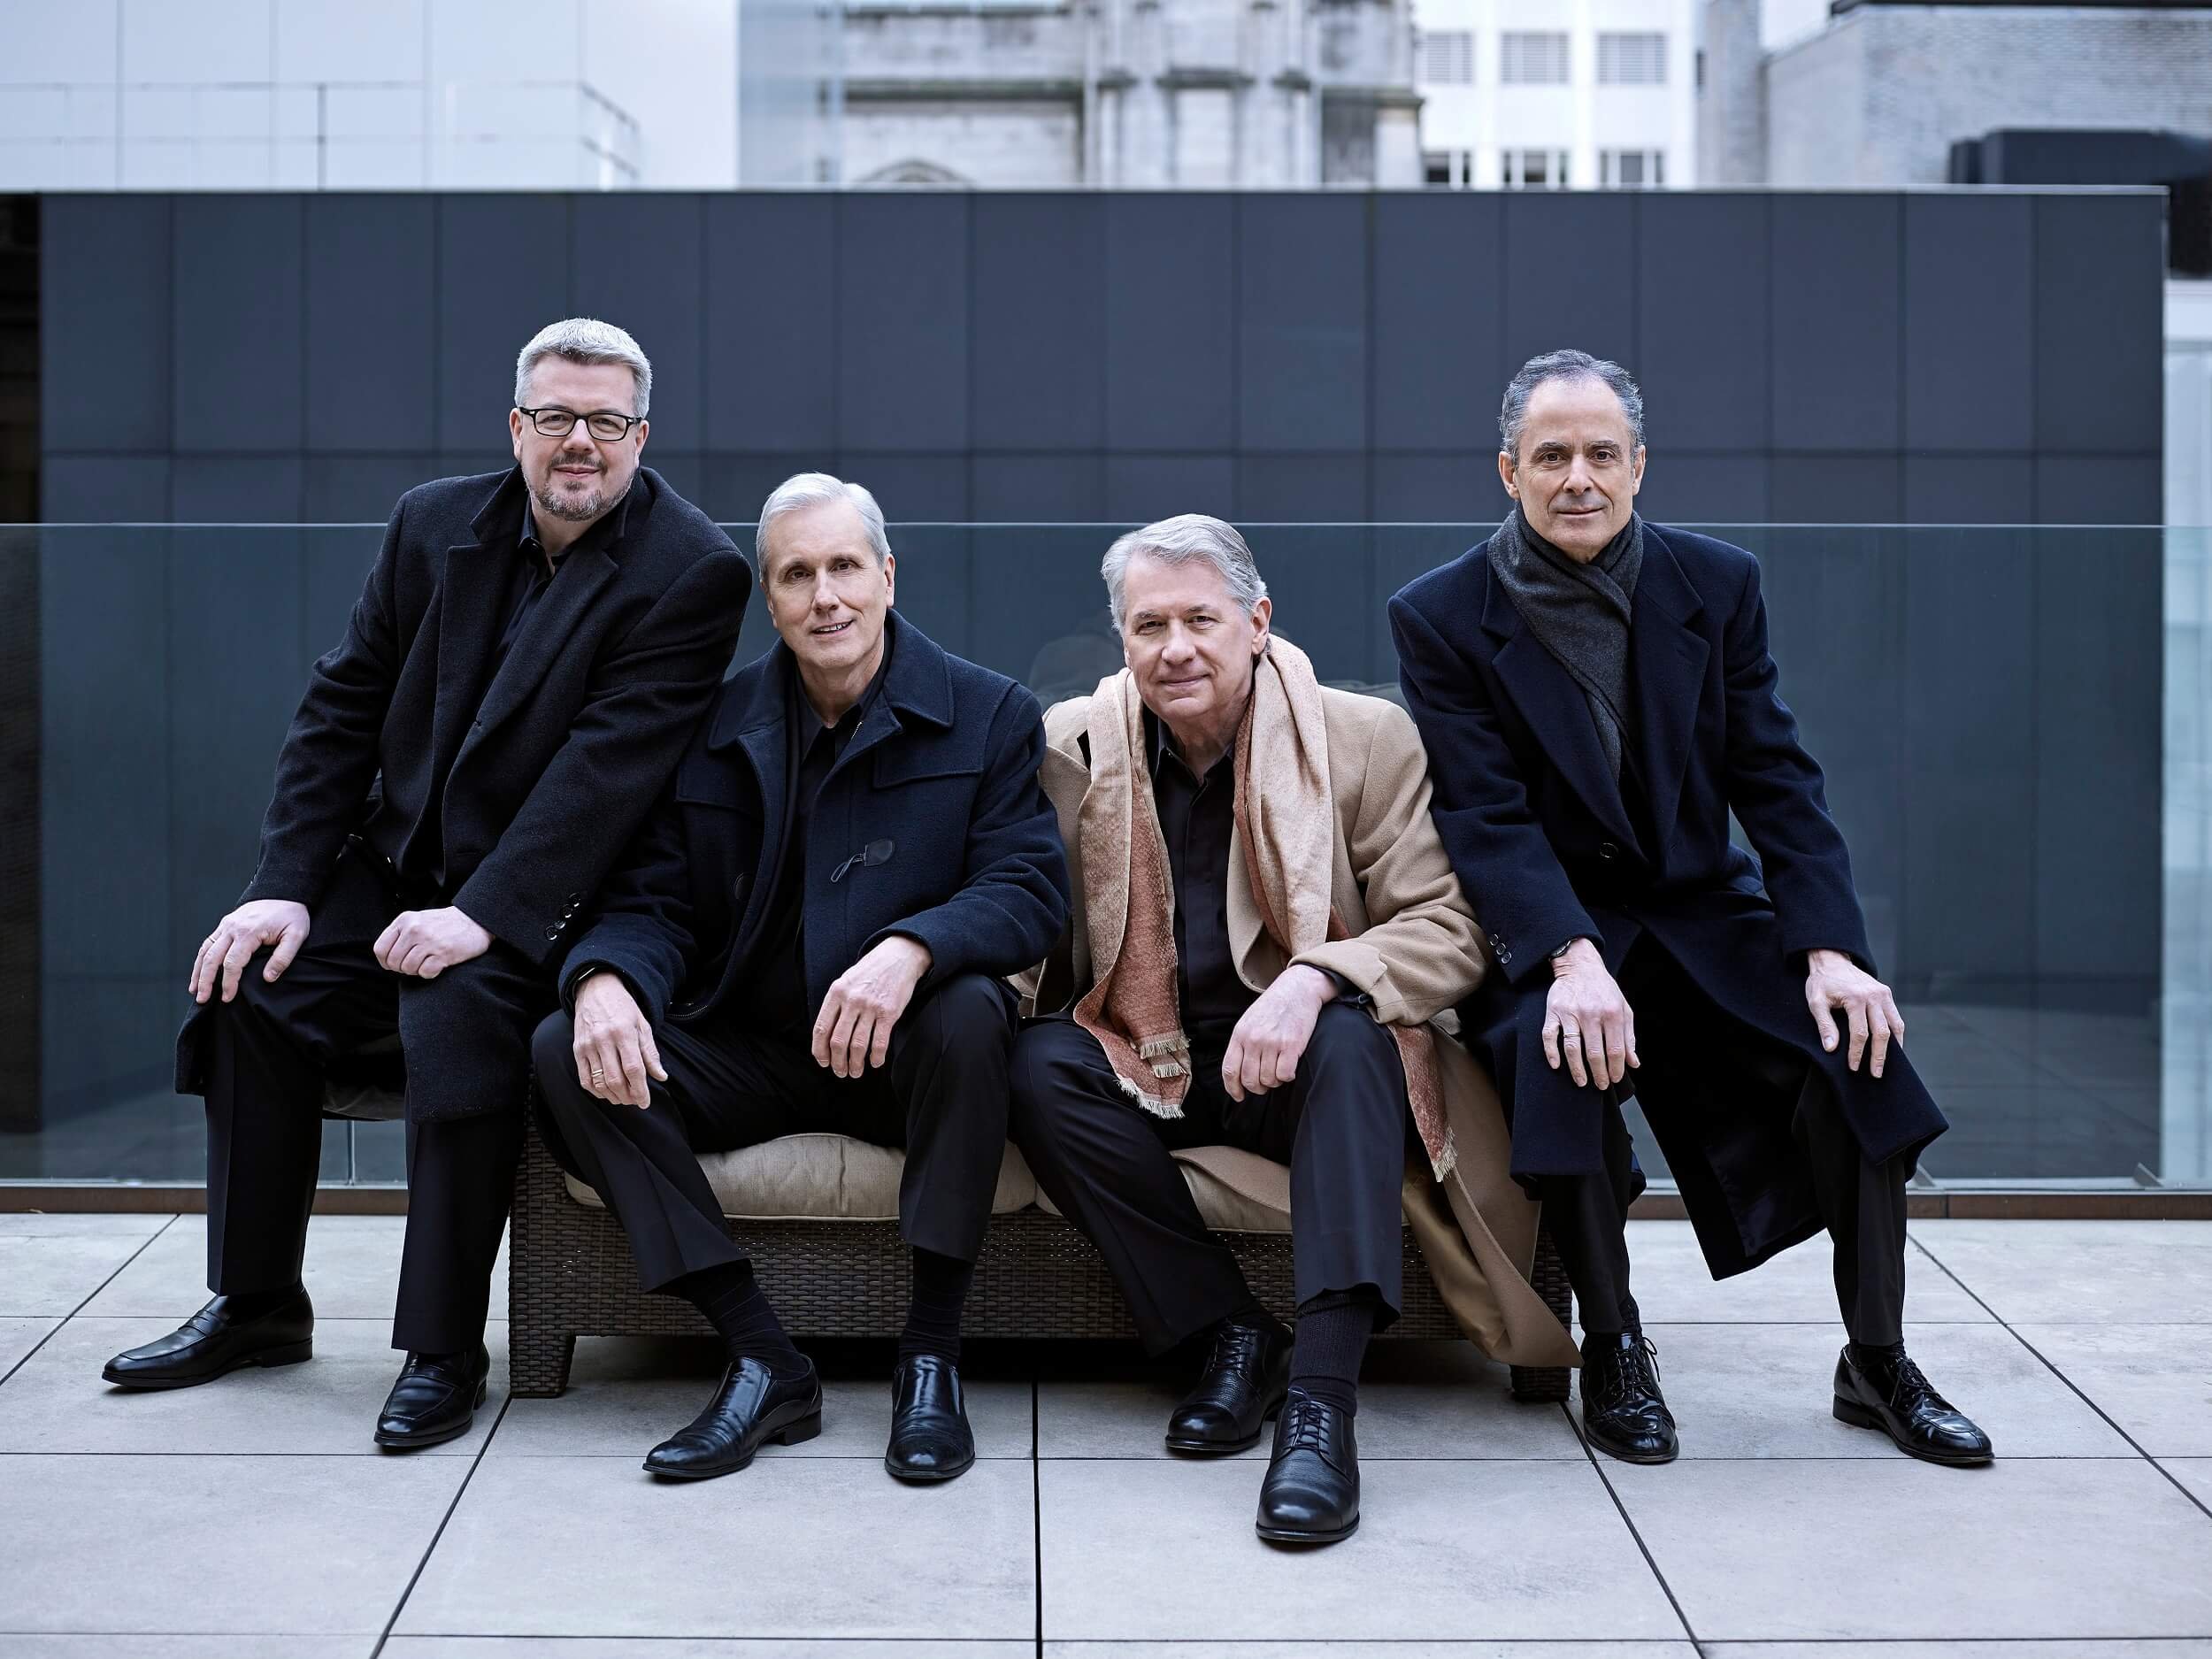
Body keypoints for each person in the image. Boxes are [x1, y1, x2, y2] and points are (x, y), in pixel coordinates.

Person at [104, 319, 750, 1451]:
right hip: (396, 866)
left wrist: (481, 918)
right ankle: (258, 1304)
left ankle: (444, 1349)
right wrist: (284, 884)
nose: (580, 441)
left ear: (641, 436)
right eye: (556, 417)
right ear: (517, 426)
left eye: (606, 421)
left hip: (559, 901)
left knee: (457, 1019)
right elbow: (342, 706)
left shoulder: (691, 569)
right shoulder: (431, 523)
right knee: (251, 986)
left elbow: (606, 775)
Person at [1389, 349, 1993, 1469]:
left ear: (1639, 466)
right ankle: (1614, 1345)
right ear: (1509, 471)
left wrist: (1830, 948)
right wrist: (1566, 957)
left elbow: (1774, 775)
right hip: (1556, 923)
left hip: (1701, 910)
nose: (1578, 477)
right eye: (1551, 456)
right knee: (1553, 1058)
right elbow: (1483, 813)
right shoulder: (1440, 614)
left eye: (1601, 454)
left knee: (1858, 1055)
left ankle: (1877, 1359)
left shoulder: (1716, 584)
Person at [1010, 514, 1574, 1547]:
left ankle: (1321, 1406)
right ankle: (1229, 1333)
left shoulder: (1363, 739)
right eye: (1148, 626)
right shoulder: (1074, 746)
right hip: (1150, 1061)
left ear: (1257, 620)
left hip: (1299, 1070)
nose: (1174, 648)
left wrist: (1315, 978)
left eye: (1200, 620)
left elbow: (1448, 927)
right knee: (1038, 1059)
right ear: (1120, 637)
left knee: (1352, 1041)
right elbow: (1025, 914)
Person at [534, 472, 1069, 1484]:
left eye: (844, 568)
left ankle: (930, 1356)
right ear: (769, 597)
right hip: (750, 1048)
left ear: (887, 577)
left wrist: (913, 949)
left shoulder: (988, 713)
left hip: (902, 1061)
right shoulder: (712, 725)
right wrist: (603, 977)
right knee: (564, 1045)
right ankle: (760, 1354)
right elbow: (652, 902)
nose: (825, 596)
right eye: (797, 575)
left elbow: (1028, 888)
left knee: (969, 1011)